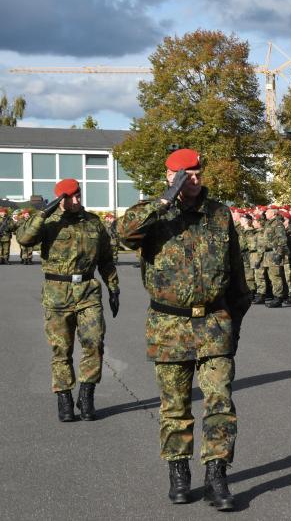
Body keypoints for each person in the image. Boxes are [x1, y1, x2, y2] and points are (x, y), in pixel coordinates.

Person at [117, 149, 250, 510]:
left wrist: (233, 325)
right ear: (168, 176)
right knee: (175, 406)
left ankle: (216, 476)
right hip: (169, 325)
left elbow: (237, 274)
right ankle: (179, 474)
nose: (192, 178)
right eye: (183, 174)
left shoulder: (219, 214)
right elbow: (124, 235)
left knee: (220, 402)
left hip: (214, 324)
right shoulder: (153, 214)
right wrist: (163, 201)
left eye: (195, 172)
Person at [17, 178, 119, 422]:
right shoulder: (48, 222)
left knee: (94, 343)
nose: (76, 200)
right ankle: (64, 398)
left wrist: (114, 288)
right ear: (61, 198)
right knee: (61, 349)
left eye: (78, 195)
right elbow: (24, 238)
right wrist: (44, 213)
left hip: (87, 291)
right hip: (56, 293)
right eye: (70, 197)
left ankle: (86, 396)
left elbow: (105, 259)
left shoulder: (93, 222)